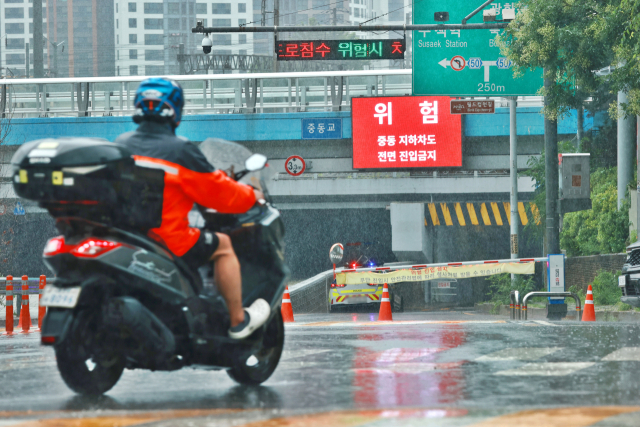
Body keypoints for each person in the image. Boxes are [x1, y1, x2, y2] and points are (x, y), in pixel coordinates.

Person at [115, 78, 269, 340]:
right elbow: (220, 193)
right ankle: (237, 322)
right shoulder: (181, 151)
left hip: (127, 237)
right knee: (223, 245)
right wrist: (251, 196)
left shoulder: (121, 144)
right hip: (168, 241)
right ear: (176, 109)